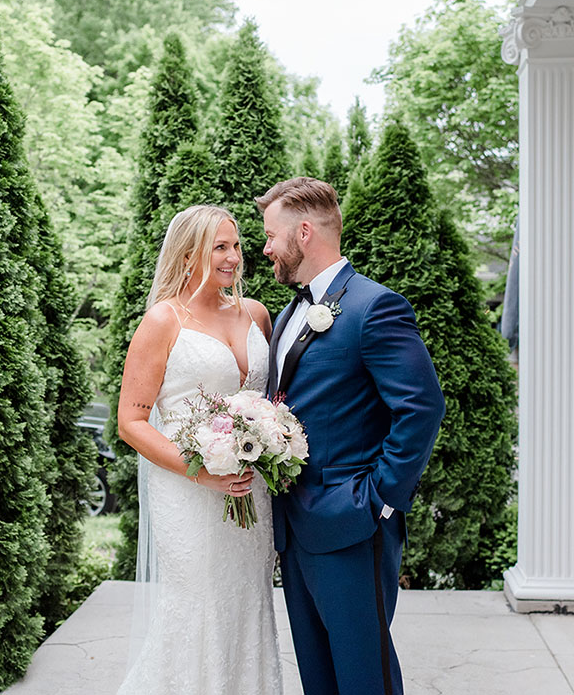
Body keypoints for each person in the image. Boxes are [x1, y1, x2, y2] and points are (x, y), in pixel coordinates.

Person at [258, 177, 445, 695]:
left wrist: (380, 499)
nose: (265, 247)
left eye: (271, 235)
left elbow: (422, 407)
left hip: (352, 523)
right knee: (318, 677)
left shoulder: (374, 307)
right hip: (295, 529)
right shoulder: (289, 313)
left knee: (366, 677)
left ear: (303, 232)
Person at [115, 205, 282, 694]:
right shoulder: (163, 321)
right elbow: (131, 422)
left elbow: (268, 400)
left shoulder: (256, 315)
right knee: (198, 607)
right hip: (188, 494)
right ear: (189, 255)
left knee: (248, 603)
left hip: (251, 490)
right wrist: (201, 472)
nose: (234, 257)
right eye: (221, 247)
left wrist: (273, 441)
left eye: (237, 246)